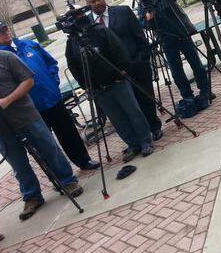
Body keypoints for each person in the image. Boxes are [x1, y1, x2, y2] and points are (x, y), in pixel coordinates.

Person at [0, 21, 101, 171]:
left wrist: (53, 82)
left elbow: (51, 63)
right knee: (44, 145)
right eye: (0, 32)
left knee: (68, 133)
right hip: (30, 109)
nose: (6, 33)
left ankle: (83, 160)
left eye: (6, 29)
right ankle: (58, 175)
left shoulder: (29, 45)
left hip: (52, 99)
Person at [0, 48, 85, 221]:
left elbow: (28, 81)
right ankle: (32, 196)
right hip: (0, 129)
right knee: (19, 165)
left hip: (26, 117)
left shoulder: (5, 57)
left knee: (49, 150)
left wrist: (7, 100)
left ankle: (67, 181)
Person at [65, 14, 155, 164]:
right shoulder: (72, 43)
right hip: (98, 89)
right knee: (117, 119)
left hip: (117, 80)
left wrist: (123, 69)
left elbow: (118, 49)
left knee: (133, 111)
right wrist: (86, 85)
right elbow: (73, 66)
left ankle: (146, 141)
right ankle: (133, 144)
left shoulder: (100, 31)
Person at [84, 0, 162, 141]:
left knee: (145, 98)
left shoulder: (123, 11)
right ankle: (138, 136)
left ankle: (154, 127)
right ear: (88, 5)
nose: (97, 3)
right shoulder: (87, 24)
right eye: (92, 2)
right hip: (114, 75)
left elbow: (140, 36)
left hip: (136, 65)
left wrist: (141, 59)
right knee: (128, 107)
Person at [137, 0, 214, 112]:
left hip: (181, 33)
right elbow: (142, 24)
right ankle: (187, 96)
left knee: (196, 64)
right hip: (165, 39)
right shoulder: (142, 1)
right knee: (176, 71)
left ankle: (205, 91)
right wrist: (147, 19)